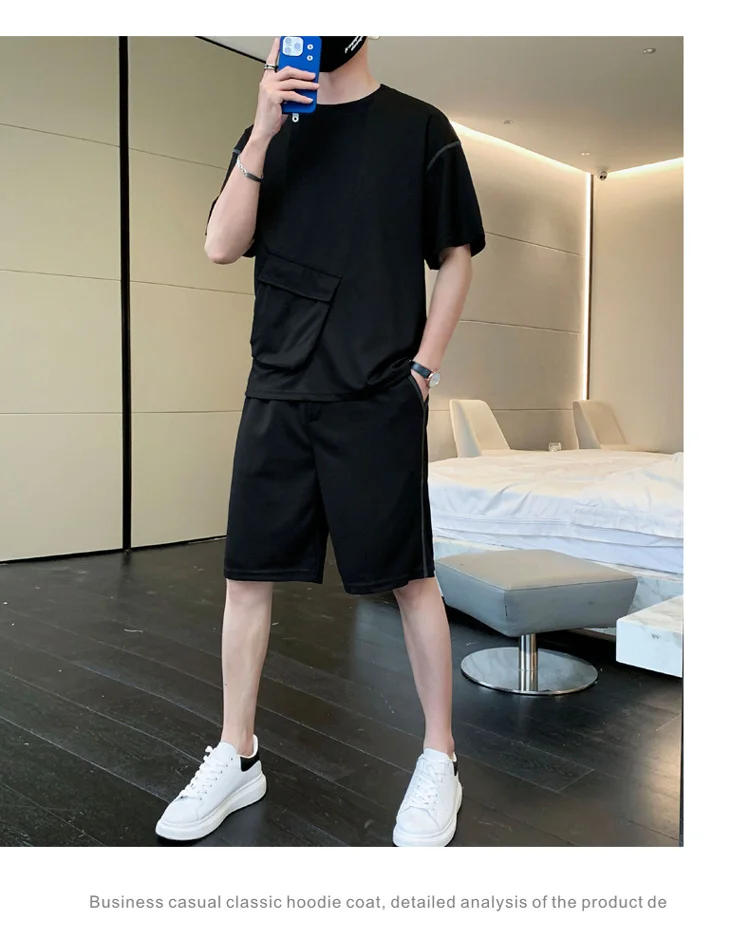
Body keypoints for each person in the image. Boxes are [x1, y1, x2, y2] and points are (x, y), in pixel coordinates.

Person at [156, 36, 485, 847]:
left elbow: (456, 257)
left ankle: (439, 757)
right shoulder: (269, 128)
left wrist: (423, 371)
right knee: (246, 577)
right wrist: (263, 131)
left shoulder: (419, 127)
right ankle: (237, 752)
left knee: (410, 580)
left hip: (377, 395)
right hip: (277, 386)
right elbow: (220, 244)